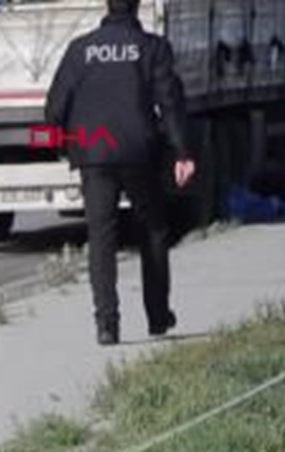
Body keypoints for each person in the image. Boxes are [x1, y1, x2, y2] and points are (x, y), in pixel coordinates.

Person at [45, 0, 197, 345]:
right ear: (137, 6)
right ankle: (158, 317)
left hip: (93, 155)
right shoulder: (152, 48)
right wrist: (182, 152)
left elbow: (54, 109)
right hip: (139, 152)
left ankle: (106, 325)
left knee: (102, 238)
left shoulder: (80, 49)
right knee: (154, 230)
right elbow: (170, 103)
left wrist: (67, 145)